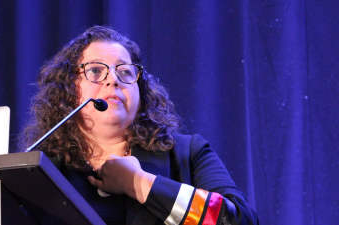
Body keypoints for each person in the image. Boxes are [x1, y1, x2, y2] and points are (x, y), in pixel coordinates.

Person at [20, 26, 258, 225]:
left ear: (140, 90)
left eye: (125, 71)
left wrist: (139, 183)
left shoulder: (188, 154)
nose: (113, 79)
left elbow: (239, 221)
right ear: (68, 90)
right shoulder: (42, 171)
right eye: (95, 70)